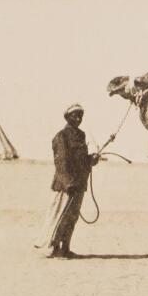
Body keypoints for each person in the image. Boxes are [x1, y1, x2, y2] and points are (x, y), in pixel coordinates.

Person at [34, 103, 98, 258]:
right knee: (60, 217)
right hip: (65, 186)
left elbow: (82, 161)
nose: (78, 118)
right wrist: (68, 183)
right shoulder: (61, 136)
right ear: (68, 117)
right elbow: (61, 163)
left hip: (79, 184)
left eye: (80, 116)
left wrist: (92, 159)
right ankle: (54, 248)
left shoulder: (81, 136)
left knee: (72, 218)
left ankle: (65, 248)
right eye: (75, 115)